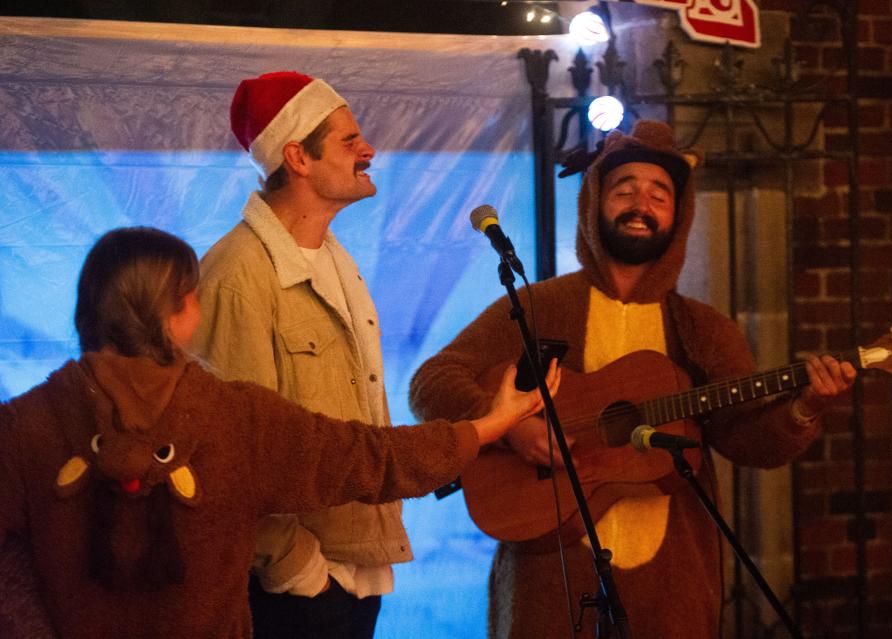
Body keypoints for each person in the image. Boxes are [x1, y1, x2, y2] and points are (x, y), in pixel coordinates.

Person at [408, 120, 856, 638]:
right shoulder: (538, 305)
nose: (640, 204)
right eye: (624, 190)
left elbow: (746, 438)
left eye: (659, 195)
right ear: (595, 205)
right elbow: (431, 380)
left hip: (671, 581)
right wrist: (510, 427)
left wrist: (803, 410)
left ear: (679, 216)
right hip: (548, 578)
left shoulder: (703, 329)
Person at [0, 226, 558, 639]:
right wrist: (489, 426)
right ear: (175, 312)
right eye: (194, 295)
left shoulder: (22, 426)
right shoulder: (234, 419)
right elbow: (370, 457)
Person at [188, 70, 402, 638]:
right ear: (298, 158)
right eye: (349, 140)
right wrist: (300, 572)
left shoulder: (334, 258)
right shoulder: (238, 274)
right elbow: (230, 453)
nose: (368, 150)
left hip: (353, 576)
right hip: (292, 592)